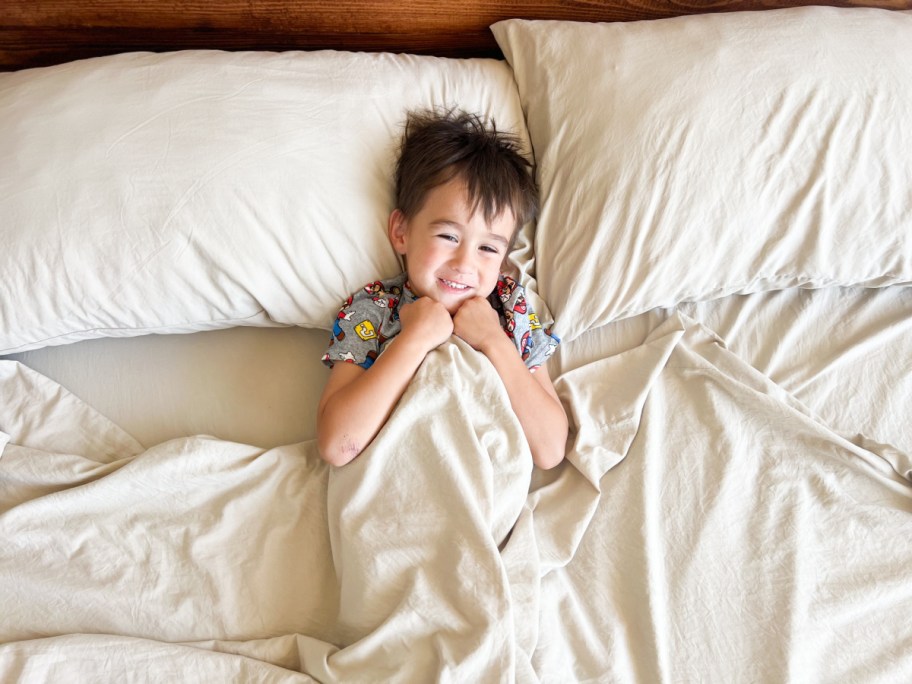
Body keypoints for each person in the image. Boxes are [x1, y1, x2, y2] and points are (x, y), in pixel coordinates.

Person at [317, 108, 568, 470]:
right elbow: (337, 445)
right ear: (401, 232)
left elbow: (549, 450)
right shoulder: (373, 308)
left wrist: (494, 341)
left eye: (487, 248)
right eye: (448, 236)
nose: (465, 263)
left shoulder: (510, 309)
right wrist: (414, 338)